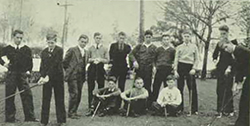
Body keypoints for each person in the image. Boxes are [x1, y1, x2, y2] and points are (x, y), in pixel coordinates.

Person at [0, 30, 38, 123]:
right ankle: (10, 118)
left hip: (22, 75)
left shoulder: (26, 49)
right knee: (10, 95)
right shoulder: (8, 48)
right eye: (17, 37)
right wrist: (4, 64)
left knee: (27, 95)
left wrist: (28, 71)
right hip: (11, 74)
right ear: (13, 37)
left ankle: (30, 117)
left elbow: (30, 62)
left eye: (21, 38)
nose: (19, 40)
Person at [39, 33, 66, 126]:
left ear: (55, 41)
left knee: (59, 99)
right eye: (49, 42)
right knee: (46, 99)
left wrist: (48, 76)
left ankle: (61, 121)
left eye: (52, 42)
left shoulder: (59, 50)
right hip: (46, 79)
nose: (50, 44)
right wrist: (42, 77)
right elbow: (42, 66)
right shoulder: (43, 52)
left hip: (57, 79)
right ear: (46, 42)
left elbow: (55, 64)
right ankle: (43, 121)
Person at [212, 25, 237, 118]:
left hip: (229, 69)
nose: (223, 35)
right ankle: (219, 110)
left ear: (227, 33)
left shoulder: (233, 43)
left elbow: (235, 58)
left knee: (228, 90)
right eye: (221, 33)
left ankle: (230, 110)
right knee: (219, 90)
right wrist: (215, 61)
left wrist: (229, 68)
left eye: (224, 33)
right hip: (220, 70)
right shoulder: (219, 44)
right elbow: (214, 55)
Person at [63, 34, 89, 119]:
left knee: (79, 94)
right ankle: (71, 113)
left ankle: (75, 111)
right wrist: (69, 71)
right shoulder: (72, 50)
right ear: (78, 41)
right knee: (74, 94)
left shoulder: (86, 52)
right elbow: (65, 62)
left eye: (85, 42)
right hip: (72, 76)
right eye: (82, 41)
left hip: (81, 76)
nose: (83, 43)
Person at [223, 43, 249, 126]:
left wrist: (239, 82)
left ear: (230, 44)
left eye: (226, 47)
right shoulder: (236, 52)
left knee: (245, 99)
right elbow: (239, 67)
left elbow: (241, 67)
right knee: (245, 100)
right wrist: (238, 82)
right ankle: (243, 122)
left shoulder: (239, 50)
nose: (226, 50)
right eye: (224, 49)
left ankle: (242, 122)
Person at [174, 29, 199, 116]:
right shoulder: (179, 47)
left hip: (190, 67)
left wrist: (194, 68)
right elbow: (176, 59)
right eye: (185, 36)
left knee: (192, 88)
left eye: (188, 36)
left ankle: (194, 109)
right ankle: (180, 108)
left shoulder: (194, 47)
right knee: (180, 88)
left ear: (190, 37)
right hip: (181, 66)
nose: (186, 38)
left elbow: (197, 59)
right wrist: (175, 71)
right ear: (182, 37)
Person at [130, 30, 157, 108]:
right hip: (140, 69)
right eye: (146, 37)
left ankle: (147, 105)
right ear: (144, 37)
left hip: (148, 70)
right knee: (137, 86)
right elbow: (131, 54)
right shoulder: (139, 46)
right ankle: (134, 103)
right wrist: (134, 62)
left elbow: (155, 59)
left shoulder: (154, 48)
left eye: (149, 37)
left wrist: (154, 66)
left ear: (152, 38)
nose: (148, 38)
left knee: (147, 86)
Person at [150, 34, 175, 103]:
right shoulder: (158, 49)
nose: (166, 41)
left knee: (167, 87)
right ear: (162, 40)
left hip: (168, 70)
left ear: (169, 40)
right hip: (159, 69)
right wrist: (154, 67)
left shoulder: (172, 50)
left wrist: (173, 65)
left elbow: (174, 60)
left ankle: (167, 103)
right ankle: (154, 103)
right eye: (164, 39)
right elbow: (154, 60)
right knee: (156, 87)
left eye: (167, 39)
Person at [109, 31, 131, 108]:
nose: (121, 39)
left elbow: (129, 57)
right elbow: (110, 56)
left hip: (123, 69)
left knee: (121, 87)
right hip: (114, 69)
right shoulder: (113, 46)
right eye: (120, 38)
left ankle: (118, 105)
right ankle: (111, 104)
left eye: (123, 38)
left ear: (125, 39)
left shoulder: (127, 47)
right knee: (112, 86)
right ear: (117, 38)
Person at [87, 32, 109, 110]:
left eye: (99, 38)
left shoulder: (104, 48)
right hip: (92, 68)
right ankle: (91, 105)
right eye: (97, 38)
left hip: (100, 68)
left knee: (101, 87)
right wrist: (93, 60)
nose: (98, 40)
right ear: (94, 38)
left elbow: (107, 60)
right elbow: (87, 59)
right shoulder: (90, 48)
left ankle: (99, 106)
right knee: (91, 88)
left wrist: (100, 60)